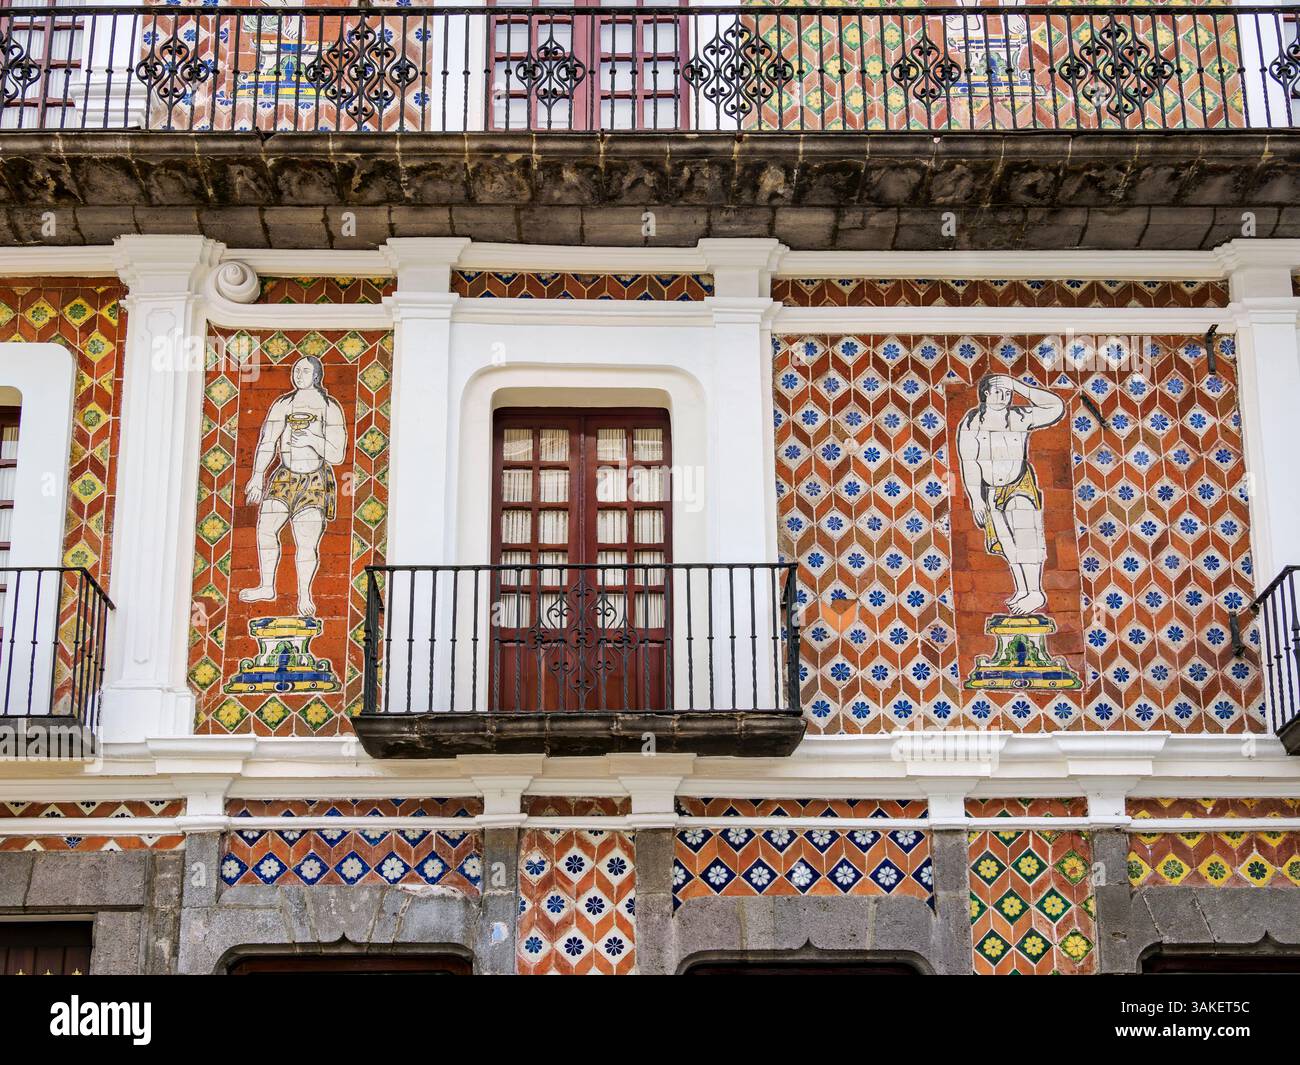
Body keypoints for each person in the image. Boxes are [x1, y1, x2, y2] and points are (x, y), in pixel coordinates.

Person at [238, 356, 346, 617]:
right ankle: (266, 586)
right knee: (265, 529)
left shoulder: (328, 407)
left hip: (314, 480)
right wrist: (257, 475)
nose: (299, 375)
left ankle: (305, 595)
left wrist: (312, 438)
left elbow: (337, 454)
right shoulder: (283, 404)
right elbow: (268, 442)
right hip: (284, 476)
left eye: (305, 371)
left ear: (316, 375)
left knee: (306, 542)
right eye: (297, 370)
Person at [957, 374, 1064, 616]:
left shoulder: (1019, 416)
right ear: (984, 393)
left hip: (1020, 485)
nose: (1003, 396)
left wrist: (1019, 386)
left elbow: (1055, 407)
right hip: (992, 491)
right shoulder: (972, 422)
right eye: (997, 391)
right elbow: (969, 462)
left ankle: (1035, 591)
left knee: (1027, 536)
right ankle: (1024, 590)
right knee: (1008, 545)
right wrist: (976, 499)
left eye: (1007, 393)